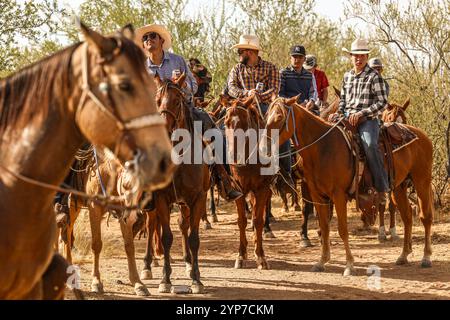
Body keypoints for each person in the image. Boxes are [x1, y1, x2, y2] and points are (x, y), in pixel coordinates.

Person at [136, 24, 242, 201]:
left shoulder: (177, 61)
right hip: (155, 114)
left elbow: (193, 86)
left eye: (152, 36)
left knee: (213, 130)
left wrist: (184, 85)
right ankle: (140, 189)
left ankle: (224, 179)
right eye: (145, 38)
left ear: (161, 41)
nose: (149, 40)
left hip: (184, 109)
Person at [226, 34, 292, 185]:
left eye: (240, 52)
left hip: (264, 107)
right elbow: (231, 87)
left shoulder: (270, 68)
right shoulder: (236, 69)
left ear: (249, 52)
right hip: (242, 107)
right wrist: (246, 94)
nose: (239, 55)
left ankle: (284, 175)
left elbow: (275, 88)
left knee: (280, 133)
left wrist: (258, 96)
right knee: (225, 130)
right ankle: (226, 176)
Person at [329, 39, 390, 193]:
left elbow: (382, 102)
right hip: (347, 118)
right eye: (355, 55)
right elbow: (342, 100)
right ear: (351, 56)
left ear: (367, 56)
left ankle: (382, 186)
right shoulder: (347, 76)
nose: (358, 58)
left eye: (362, 56)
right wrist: (338, 113)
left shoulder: (374, 76)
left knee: (369, 145)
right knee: (328, 138)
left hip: (367, 120)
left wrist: (362, 113)